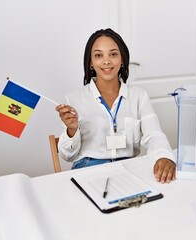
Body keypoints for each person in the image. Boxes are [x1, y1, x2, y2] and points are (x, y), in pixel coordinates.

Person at [56, 28, 176, 183]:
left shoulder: (139, 96)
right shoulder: (74, 98)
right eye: (98, 55)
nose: (106, 61)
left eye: (113, 54)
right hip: (89, 170)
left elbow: (154, 135)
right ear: (91, 62)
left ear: (122, 60)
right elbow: (67, 156)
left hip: (128, 168)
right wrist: (71, 130)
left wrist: (164, 156)